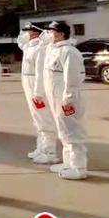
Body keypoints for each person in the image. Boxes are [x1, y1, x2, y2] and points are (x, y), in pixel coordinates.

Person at [42, 21, 88, 180]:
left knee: (72, 132)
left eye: (51, 31)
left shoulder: (69, 52)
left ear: (61, 34)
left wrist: (68, 99)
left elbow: (72, 78)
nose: (48, 34)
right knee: (63, 132)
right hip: (56, 99)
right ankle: (68, 163)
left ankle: (79, 167)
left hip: (66, 100)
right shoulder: (54, 50)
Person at [18, 23, 58, 163]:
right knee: (37, 119)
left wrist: (38, 92)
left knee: (44, 119)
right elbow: (20, 43)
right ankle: (41, 148)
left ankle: (49, 151)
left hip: (36, 87)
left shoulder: (39, 49)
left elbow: (40, 72)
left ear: (35, 33)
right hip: (28, 85)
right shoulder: (29, 47)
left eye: (27, 31)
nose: (24, 34)